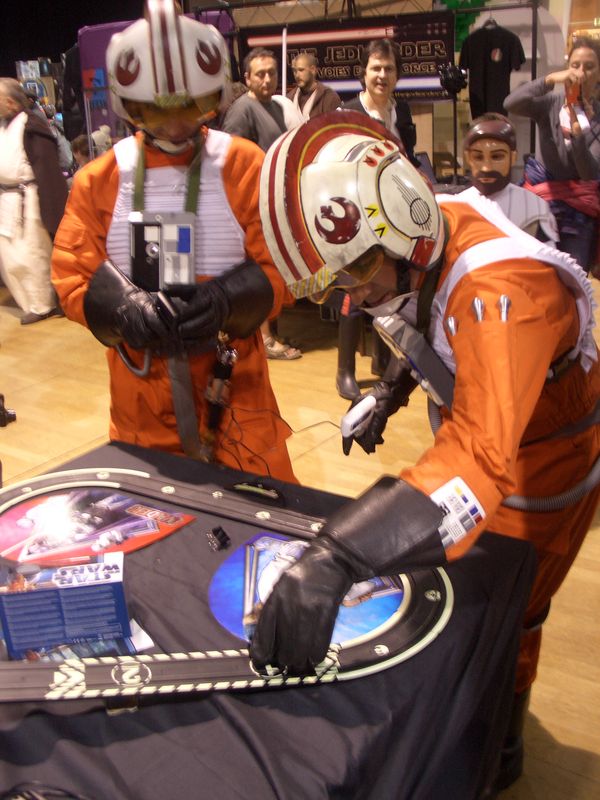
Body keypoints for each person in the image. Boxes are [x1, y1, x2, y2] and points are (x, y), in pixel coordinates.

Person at [251, 111, 600, 792]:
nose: (354, 295)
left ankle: (501, 750)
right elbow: (432, 316)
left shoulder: (503, 293)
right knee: (470, 599)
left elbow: (478, 459)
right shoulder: (427, 234)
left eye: (358, 271)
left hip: (541, 467)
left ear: (400, 219)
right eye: (338, 284)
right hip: (492, 431)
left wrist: (339, 556)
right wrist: (390, 391)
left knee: (511, 611)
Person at [51, 0, 296, 483]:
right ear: (129, 105)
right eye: (155, 111)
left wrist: (226, 301)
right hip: (143, 388)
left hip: (235, 383)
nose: (176, 123)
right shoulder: (99, 180)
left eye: (190, 106)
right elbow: (72, 275)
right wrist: (125, 312)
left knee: (256, 505)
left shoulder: (244, 165)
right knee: (154, 509)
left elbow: (285, 266)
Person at [336, 38, 419, 399]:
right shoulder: (347, 112)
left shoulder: (402, 112)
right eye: (376, 68)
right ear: (363, 73)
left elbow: (408, 158)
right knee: (357, 289)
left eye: (389, 69)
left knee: (391, 287)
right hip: (357, 217)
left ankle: (382, 360)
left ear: (397, 75)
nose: (382, 75)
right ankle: (344, 372)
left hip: (394, 214)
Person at [222, 47, 303, 360]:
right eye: (260, 74)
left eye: (271, 73)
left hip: (269, 206)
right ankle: (265, 339)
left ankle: (269, 334)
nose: (267, 79)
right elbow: (230, 161)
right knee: (258, 271)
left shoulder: (275, 107)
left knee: (270, 270)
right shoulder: (242, 110)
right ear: (247, 78)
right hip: (251, 209)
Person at [504, 36, 600, 273]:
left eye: (589, 67)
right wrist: (549, 79)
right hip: (540, 205)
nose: (581, 73)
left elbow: (589, 173)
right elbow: (511, 103)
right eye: (575, 65)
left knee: (572, 277)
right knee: (534, 272)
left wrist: (578, 133)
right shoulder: (550, 104)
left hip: (579, 213)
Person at [0, 78, 68, 325]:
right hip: (8, 198)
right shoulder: (5, 126)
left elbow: (46, 168)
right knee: (11, 255)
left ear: (10, 102)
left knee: (32, 252)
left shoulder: (31, 124)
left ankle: (42, 303)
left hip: (28, 198)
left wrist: (51, 208)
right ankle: (28, 300)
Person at [461, 112, 558, 244]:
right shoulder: (455, 207)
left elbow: (547, 255)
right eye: (478, 157)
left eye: (497, 157)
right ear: (468, 158)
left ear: (513, 157)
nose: (486, 167)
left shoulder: (535, 207)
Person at [286, 52, 341, 120]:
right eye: (294, 71)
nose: (297, 75)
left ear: (313, 70)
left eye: (301, 70)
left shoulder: (328, 97)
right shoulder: (289, 99)